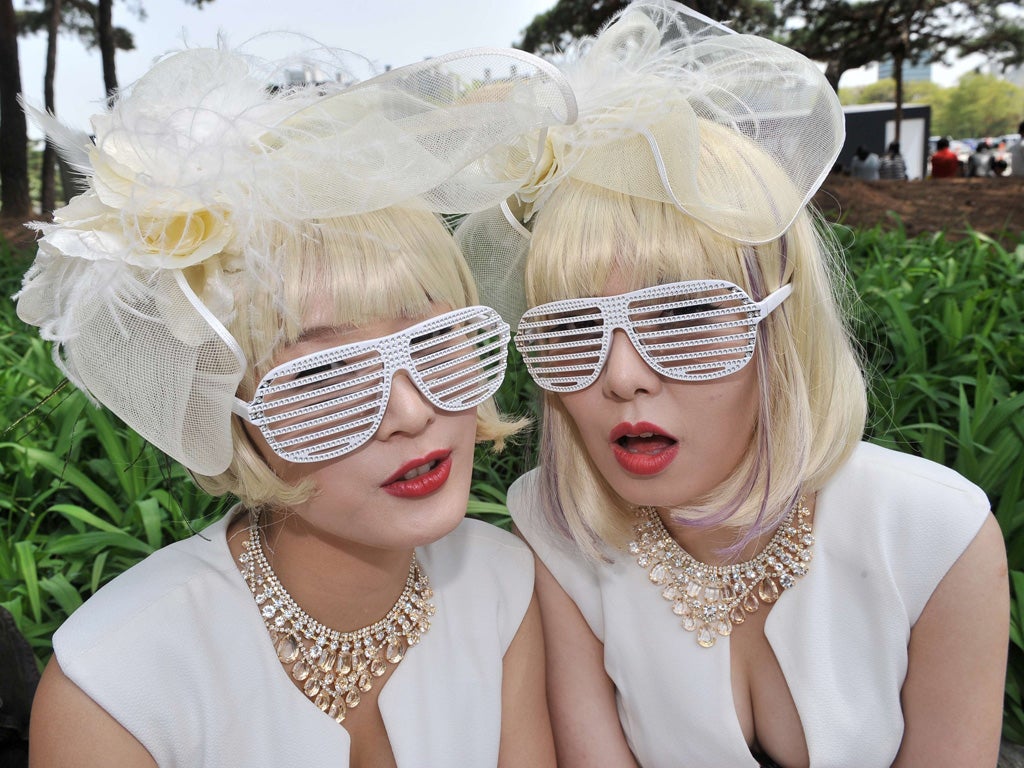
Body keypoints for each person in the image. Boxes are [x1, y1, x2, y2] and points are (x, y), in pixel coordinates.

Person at [457, 2, 1009, 765]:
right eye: (574, 328)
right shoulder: (552, 529)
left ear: (779, 324)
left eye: (682, 315)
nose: (622, 375)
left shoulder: (933, 536)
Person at [19, 41, 575, 767]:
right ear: (234, 414)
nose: (410, 412)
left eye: (435, 339)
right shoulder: (116, 686)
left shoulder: (502, 587)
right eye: (328, 376)